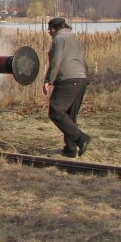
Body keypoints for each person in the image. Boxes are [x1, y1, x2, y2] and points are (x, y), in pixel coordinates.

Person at [43, 17, 91, 157]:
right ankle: (70, 149)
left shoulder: (58, 40)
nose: (49, 32)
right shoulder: (76, 40)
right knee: (70, 115)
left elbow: (56, 62)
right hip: (81, 79)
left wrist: (49, 81)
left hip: (68, 79)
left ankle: (82, 139)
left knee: (55, 112)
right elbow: (84, 61)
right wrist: (86, 79)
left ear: (54, 29)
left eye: (49, 29)